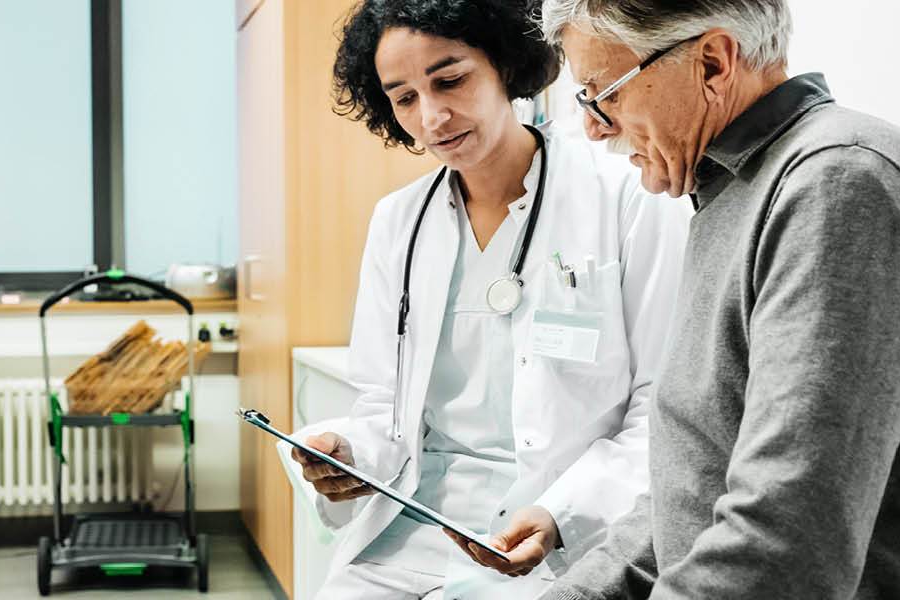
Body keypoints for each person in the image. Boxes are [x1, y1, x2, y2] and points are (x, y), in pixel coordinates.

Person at [538, 0, 900, 598]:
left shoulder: (843, 186)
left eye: (605, 92)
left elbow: (786, 541)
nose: (594, 125)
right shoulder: (738, 192)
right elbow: (698, 490)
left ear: (714, 64)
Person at [287, 0, 691, 597]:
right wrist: (349, 453)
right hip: (409, 533)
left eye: (450, 79)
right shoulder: (399, 221)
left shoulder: (627, 197)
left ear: (504, 64)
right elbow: (382, 404)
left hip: (557, 533)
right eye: (403, 98)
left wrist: (564, 513)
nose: (432, 117)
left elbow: (663, 406)